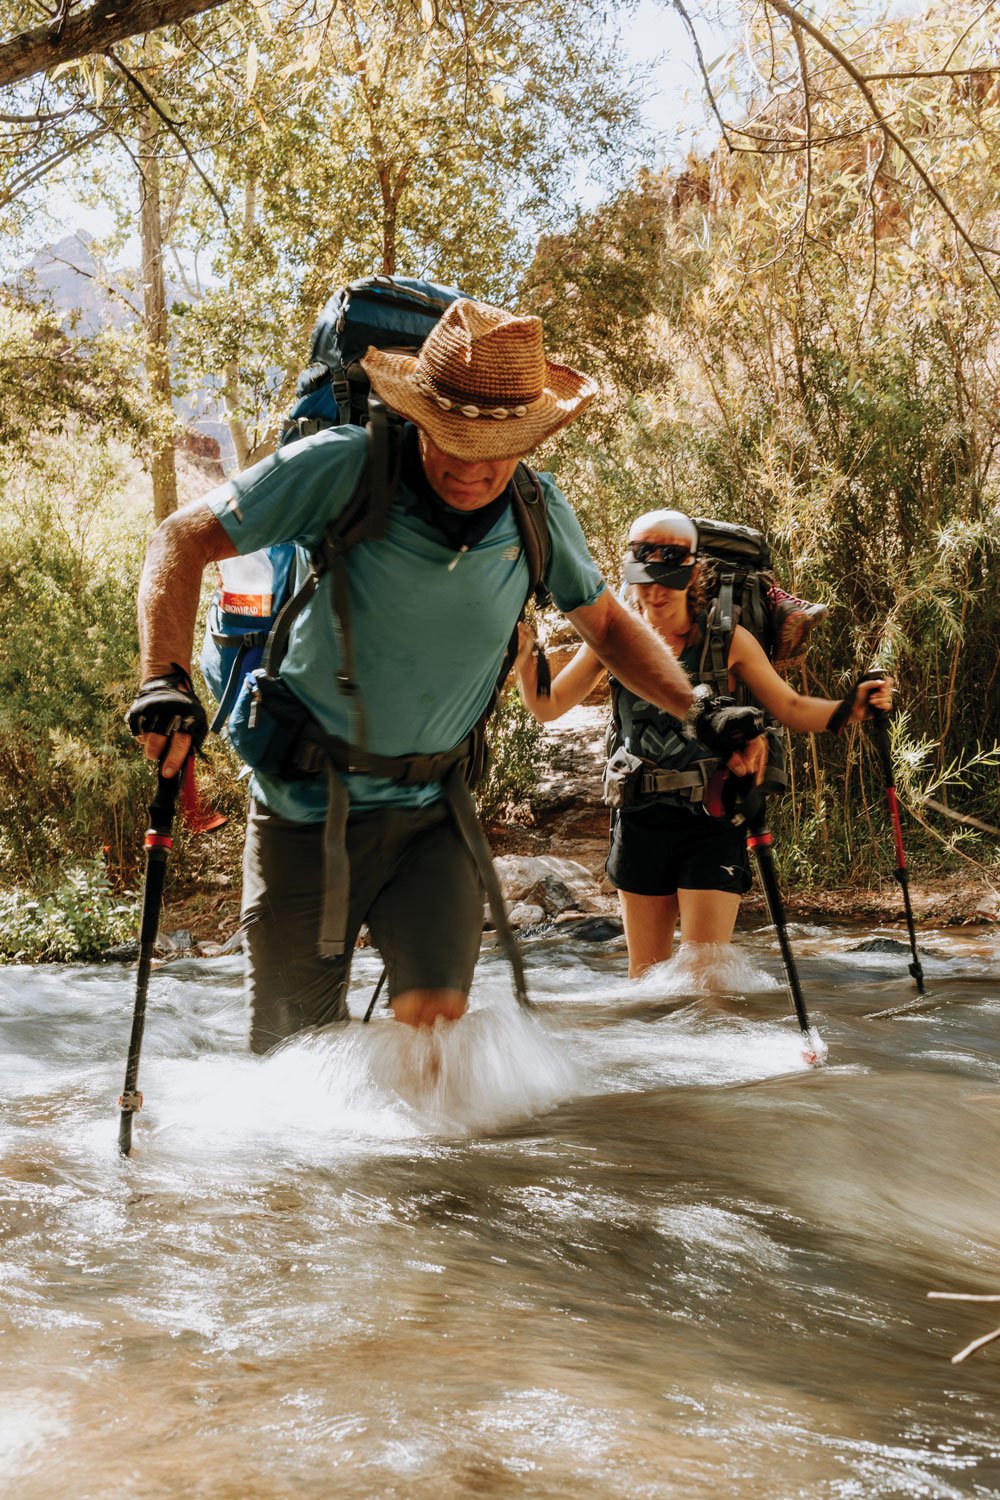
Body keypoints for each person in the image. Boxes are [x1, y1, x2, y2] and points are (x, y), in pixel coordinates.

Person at [127, 302, 765, 1050]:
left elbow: (610, 627)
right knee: (292, 1055)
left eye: (497, 446)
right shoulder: (339, 466)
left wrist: (701, 711)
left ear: (529, 438)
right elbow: (181, 540)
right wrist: (163, 679)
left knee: (437, 1041)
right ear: (415, 415)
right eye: (452, 438)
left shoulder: (537, 508)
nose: (472, 466)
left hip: (435, 813)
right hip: (306, 807)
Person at [516, 507, 893, 979]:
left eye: (667, 578)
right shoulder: (612, 640)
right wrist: (525, 656)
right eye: (644, 577)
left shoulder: (727, 639)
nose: (653, 592)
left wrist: (850, 708)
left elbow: (791, 708)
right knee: (646, 984)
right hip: (639, 819)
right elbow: (549, 707)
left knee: (707, 980)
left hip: (711, 821)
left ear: (693, 573)